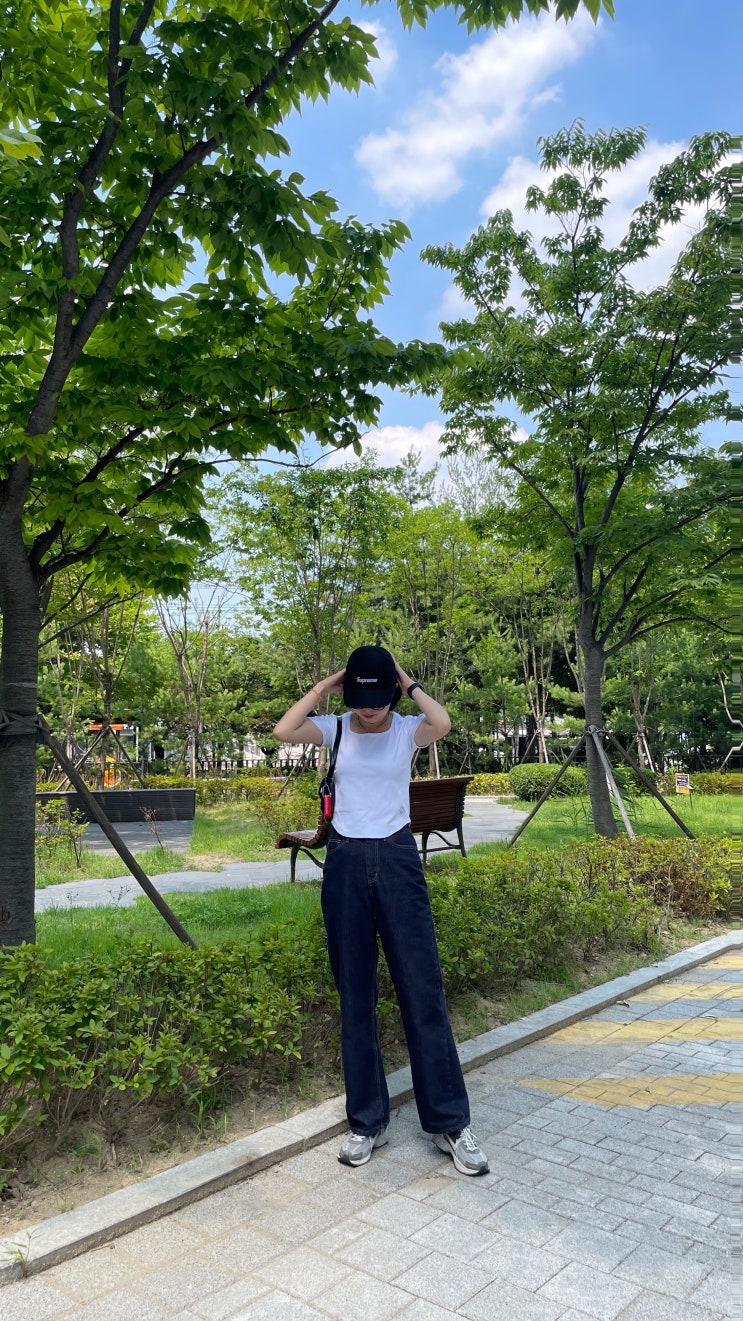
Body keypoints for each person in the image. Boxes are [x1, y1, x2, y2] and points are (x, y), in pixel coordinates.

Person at [273, 644, 489, 1176]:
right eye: (359, 698)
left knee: (422, 989)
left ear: (392, 693)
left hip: (396, 860)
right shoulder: (335, 729)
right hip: (345, 862)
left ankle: (450, 1121)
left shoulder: (407, 731)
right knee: (355, 994)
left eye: (378, 699)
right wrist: (326, 686)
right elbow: (284, 730)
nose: (368, 709)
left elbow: (443, 721)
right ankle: (366, 1122)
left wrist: (406, 680)